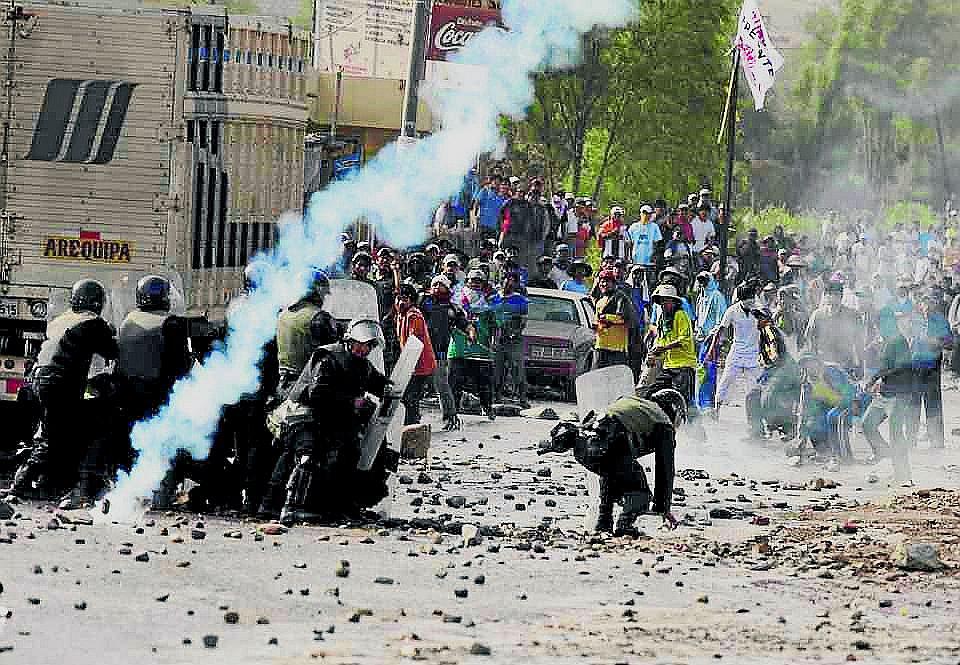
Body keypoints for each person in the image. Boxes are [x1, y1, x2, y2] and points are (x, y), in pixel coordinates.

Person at [6, 279, 118, 500]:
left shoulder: (61, 320)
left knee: (52, 432)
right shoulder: (93, 323)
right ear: (98, 303)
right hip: (59, 384)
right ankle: (20, 487)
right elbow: (112, 352)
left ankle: (48, 482)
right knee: (60, 434)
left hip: (37, 381)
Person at [275, 319, 393, 525]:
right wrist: (351, 402)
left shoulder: (362, 365)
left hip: (331, 417)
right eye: (362, 344)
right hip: (305, 416)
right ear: (350, 340)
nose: (365, 350)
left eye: (369, 346)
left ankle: (338, 507)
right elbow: (317, 393)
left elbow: (377, 382)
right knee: (308, 456)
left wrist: (390, 389)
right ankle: (292, 507)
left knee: (348, 454)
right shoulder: (329, 357)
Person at [540, 389, 684, 534]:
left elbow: (612, 466)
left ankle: (603, 524)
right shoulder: (662, 421)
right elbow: (665, 468)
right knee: (640, 493)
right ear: (674, 410)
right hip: (611, 442)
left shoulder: (635, 403)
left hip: (582, 446)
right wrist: (662, 507)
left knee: (610, 474)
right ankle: (624, 525)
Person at [861, 311, 913, 478]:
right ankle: (883, 451)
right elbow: (882, 364)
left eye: (880, 325)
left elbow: (901, 367)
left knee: (895, 431)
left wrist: (876, 377)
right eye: (877, 326)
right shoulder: (884, 341)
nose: (878, 329)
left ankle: (902, 473)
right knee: (867, 423)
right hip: (885, 391)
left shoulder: (899, 341)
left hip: (900, 393)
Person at [275, 268, 340, 398]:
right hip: (308, 389)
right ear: (315, 291)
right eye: (323, 293)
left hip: (284, 386)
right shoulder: (319, 317)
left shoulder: (283, 315)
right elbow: (336, 355)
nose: (324, 298)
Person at [420, 275, 471, 431]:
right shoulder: (423, 300)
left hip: (439, 353)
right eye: (434, 284)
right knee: (412, 387)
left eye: (440, 284)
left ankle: (451, 417)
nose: (436, 287)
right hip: (418, 351)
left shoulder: (452, 308)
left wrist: (470, 331)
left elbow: (464, 323)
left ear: (447, 288)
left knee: (442, 386)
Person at [745, 309, 801, 441]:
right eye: (755, 317)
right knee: (752, 396)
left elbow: (776, 358)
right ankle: (757, 432)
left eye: (759, 317)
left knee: (768, 399)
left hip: (785, 372)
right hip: (772, 373)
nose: (756, 320)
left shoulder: (770, 331)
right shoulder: (762, 333)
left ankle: (788, 426)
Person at [448, 270, 498, 420]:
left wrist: (494, 341)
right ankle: (452, 413)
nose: (475, 283)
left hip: (481, 350)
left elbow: (496, 324)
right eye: (473, 280)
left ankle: (487, 409)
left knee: (485, 385)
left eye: (479, 281)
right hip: (459, 348)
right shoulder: (456, 298)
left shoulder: (490, 300)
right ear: (467, 280)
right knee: (454, 384)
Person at [714, 282, 762, 419]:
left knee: (756, 387)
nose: (751, 301)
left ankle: (756, 418)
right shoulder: (732, 310)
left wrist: (760, 315)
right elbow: (721, 329)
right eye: (748, 298)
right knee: (725, 381)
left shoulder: (758, 309)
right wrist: (715, 348)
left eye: (753, 297)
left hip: (753, 354)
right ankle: (716, 410)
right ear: (741, 299)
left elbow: (768, 324)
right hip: (736, 353)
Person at [395, 283, 437, 425]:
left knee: (410, 398)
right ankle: (411, 422)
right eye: (399, 298)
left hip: (419, 364)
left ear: (411, 300)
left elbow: (414, 342)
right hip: (412, 363)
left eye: (405, 299)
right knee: (410, 397)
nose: (401, 302)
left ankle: (411, 425)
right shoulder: (401, 315)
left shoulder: (414, 316)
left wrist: (408, 366)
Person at [648, 284, 697, 406]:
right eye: (662, 301)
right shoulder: (662, 319)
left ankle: (693, 424)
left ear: (674, 302)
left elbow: (684, 340)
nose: (664, 304)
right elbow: (661, 342)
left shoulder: (681, 315)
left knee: (682, 402)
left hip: (684, 367)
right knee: (652, 394)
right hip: (668, 366)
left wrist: (663, 348)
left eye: (667, 301)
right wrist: (654, 355)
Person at [804, 278, 862, 372]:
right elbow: (810, 338)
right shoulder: (817, 315)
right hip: (823, 364)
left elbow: (859, 342)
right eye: (830, 294)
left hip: (846, 364)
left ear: (841, 296)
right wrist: (814, 361)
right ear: (826, 295)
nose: (833, 297)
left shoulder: (852, 315)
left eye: (836, 294)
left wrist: (860, 364)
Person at [491, 271, 529, 407]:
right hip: (497, 338)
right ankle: (496, 397)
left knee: (517, 368)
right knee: (497, 369)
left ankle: (523, 399)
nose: (508, 282)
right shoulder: (494, 298)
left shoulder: (521, 300)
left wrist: (515, 332)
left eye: (512, 280)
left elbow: (524, 321)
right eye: (506, 279)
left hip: (514, 339)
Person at [593, 269, 631, 369]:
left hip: (616, 349)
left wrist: (607, 318)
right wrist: (596, 326)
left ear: (614, 284)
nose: (604, 284)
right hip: (601, 346)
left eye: (607, 281)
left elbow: (624, 318)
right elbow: (597, 322)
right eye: (602, 281)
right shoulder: (599, 302)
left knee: (616, 379)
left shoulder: (621, 298)